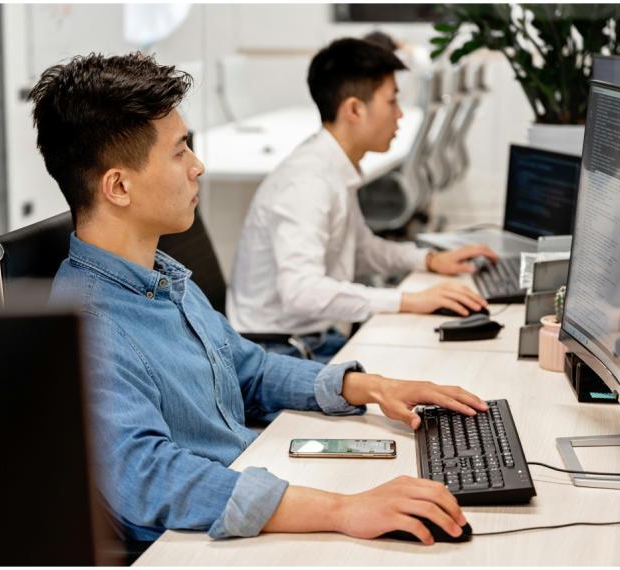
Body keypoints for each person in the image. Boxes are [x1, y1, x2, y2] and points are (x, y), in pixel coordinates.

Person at [31, 52, 489, 549]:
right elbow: (151, 479)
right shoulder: (88, 327)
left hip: (256, 484)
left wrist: (372, 386)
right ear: (119, 186)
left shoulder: (160, 277)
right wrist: (342, 509)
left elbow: (246, 369)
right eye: (180, 151)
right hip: (200, 544)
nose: (197, 166)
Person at [228, 38, 497, 361]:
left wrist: (428, 261)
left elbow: (359, 249)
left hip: (310, 338)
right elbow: (301, 293)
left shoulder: (334, 165)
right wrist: (407, 299)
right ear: (354, 109)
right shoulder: (307, 182)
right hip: (276, 351)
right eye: (392, 101)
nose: (399, 114)